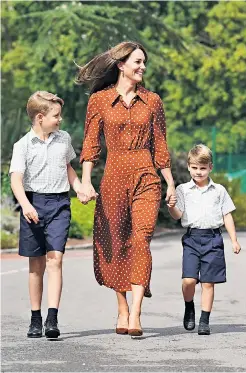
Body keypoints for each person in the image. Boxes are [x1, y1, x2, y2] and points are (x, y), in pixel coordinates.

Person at [76, 41, 176, 337]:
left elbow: (160, 145)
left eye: (144, 62)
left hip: (146, 175)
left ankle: (136, 313)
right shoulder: (99, 101)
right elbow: (91, 145)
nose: (142, 67)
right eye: (137, 62)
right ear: (121, 65)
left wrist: (170, 182)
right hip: (113, 177)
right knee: (116, 242)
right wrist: (85, 181)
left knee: (141, 239)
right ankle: (121, 309)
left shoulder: (153, 101)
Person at [9, 91, 85, 339]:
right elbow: (16, 180)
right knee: (36, 265)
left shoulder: (63, 139)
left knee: (56, 259)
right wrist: (26, 206)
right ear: (40, 117)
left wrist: (80, 188)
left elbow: (68, 168)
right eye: (56, 116)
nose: (60, 120)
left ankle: (52, 318)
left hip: (59, 204)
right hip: (33, 203)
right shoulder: (22, 146)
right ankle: (35, 318)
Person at [168, 144, 241, 335]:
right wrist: (171, 206)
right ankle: (189, 306)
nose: (198, 172)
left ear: (210, 167)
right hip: (192, 239)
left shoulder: (219, 191)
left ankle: (204, 320)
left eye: (202, 168)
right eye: (194, 168)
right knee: (189, 281)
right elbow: (177, 215)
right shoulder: (183, 190)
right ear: (188, 167)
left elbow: (227, 216)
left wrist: (233, 240)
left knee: (208, 282)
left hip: (213, 238)